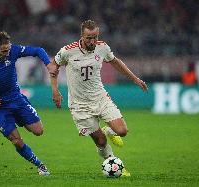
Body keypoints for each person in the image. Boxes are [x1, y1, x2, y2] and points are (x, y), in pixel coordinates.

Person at [50, 20, 148, 177]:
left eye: (95, 37)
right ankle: (114, 163)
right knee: (101, 142)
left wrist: (135, 79)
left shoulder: (102, 47)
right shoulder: (68, 51)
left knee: (122, 131)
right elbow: (53, 66)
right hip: (79, 105)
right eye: (89, 37)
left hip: (100, 98)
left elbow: (116, 62)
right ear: (81, 36)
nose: (92, 41)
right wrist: (55, 90)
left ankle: (108, 130)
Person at [0, 31, 58, 176]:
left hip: (16, 99)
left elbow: (38, 50)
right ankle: (40, 165)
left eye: (8, 49)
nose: (7, 53)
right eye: (4, 51)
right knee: (17, 141)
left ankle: (20, 119)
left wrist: (48, 64)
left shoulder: (13, 50)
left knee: (38, 131)